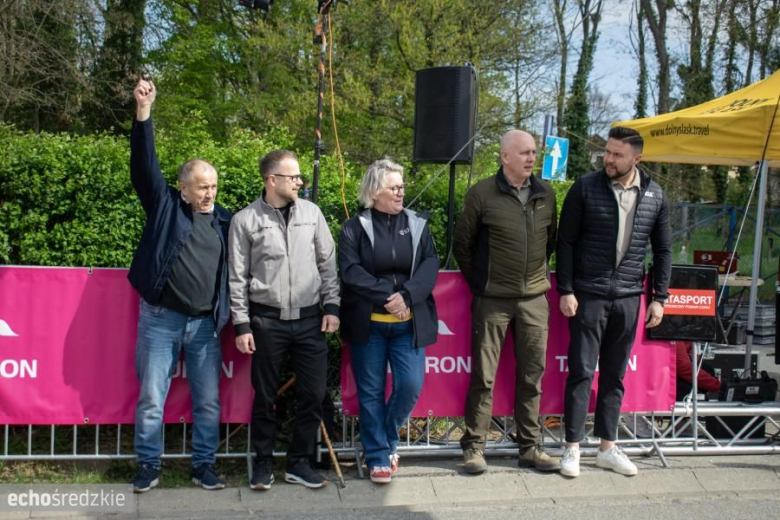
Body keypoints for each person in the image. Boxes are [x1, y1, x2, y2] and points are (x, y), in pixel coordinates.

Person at [128, 76, 232, 493]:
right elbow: (143, 165)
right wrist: (144, 113)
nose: (209, 193)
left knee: (207, 402)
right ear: (183, 188)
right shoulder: (164, 205)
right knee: (152, 399)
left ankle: (203, 466)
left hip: (206, 326)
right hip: (161, 320)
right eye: (202, 187)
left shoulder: (226, 219)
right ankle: (148, 466)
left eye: (213, 186)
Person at [557, 126, 672, 478]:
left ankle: (608, 447)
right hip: (587, 295)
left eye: (617, 154)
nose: (608, 158)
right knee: (580, 372)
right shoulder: (585, 187)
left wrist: (659, 298)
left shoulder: (655, 194)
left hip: (628, 297)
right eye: (607, 152)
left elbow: (663, 250)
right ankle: (572, 448)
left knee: (614, 375)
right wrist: (566, 289)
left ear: (637, 158)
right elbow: (565, 242)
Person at [229, 150, 340, 491]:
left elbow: (328, 264)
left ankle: (299, 462)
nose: (299, 182)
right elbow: (237, 277)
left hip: (310, 321)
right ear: (271, 179)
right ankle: (263, 464)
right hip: (266, 321)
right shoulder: (244, 220)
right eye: (292, 177)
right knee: (265, 397)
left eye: (299, 176)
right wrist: (242, 324)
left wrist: (332, 306)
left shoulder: (312, 213)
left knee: (313, 394)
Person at [453, 130, 559, 474]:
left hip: (534, 300)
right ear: (505, 157)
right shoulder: (481, 193)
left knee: (533, 377)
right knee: (483, 377)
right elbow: (462, 246)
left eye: (534, 152)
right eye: (525, 153)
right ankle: (473, 448)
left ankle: (530, 447)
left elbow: (550, 243)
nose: (531, 158)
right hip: (492, 301)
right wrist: (483, 284)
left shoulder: (547, 194)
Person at [338, 160, 439, 484]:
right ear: (374, 191)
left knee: (410, 385)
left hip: (407, 323)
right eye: (393, 187)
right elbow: (351, 271)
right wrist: (388, 295)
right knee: (370, 392)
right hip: (369, 325)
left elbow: (430, 264)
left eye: (402, 186)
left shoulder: (417, 224)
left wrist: (407, 296)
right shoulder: (354, 227)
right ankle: (379, 455)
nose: (401, 192)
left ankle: (382, 439)